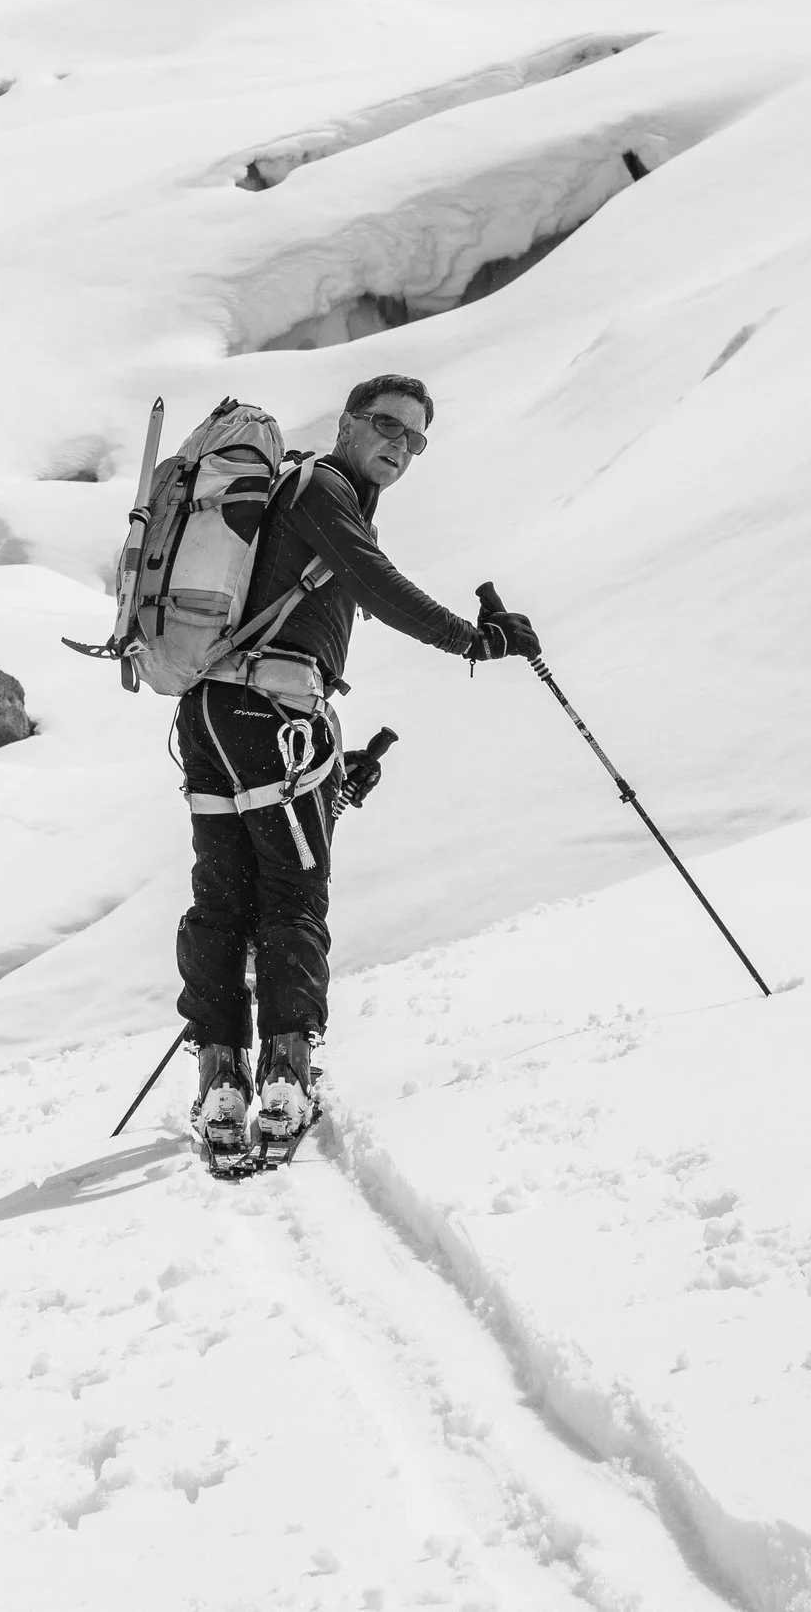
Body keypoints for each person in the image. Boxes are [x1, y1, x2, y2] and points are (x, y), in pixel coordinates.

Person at [176, 372, 539, 1161]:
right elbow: (378, 582)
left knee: (223, 896)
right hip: (274, 715)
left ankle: (220, 1077)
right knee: (292, 896)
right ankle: (285, 1072)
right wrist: (475, 640)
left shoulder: (300, 494)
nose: (398, 445)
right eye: (385, 424)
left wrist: (332, 775)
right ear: (347, 422)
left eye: (414, 437)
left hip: (211, 718)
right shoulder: (323, 487)